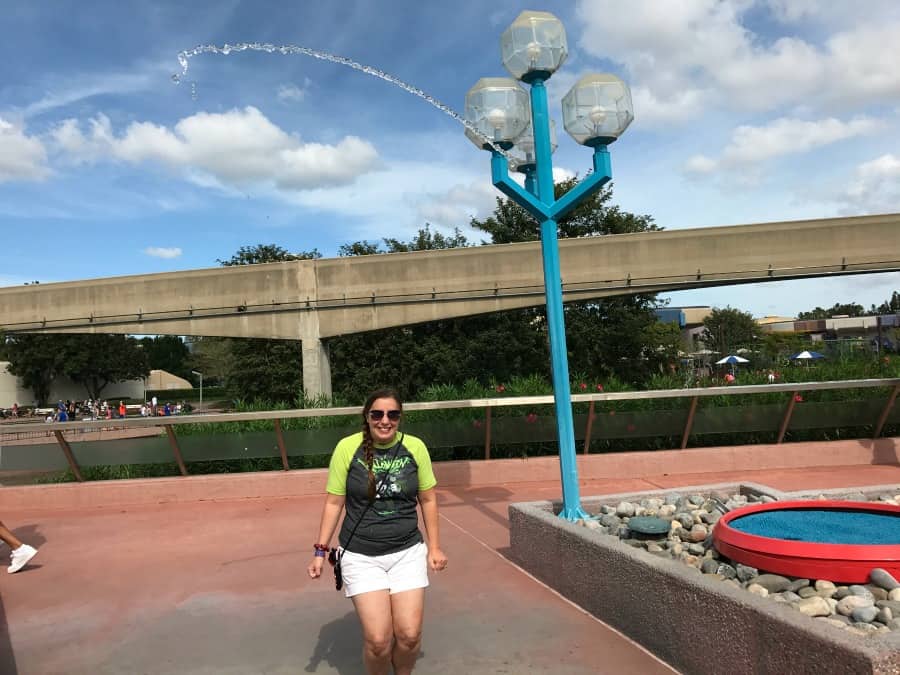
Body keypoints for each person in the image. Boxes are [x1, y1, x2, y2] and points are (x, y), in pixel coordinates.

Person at [307, 388, 447, 675]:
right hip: (360, 554)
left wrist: (434, 547)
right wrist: (320, 552)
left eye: (392, 414)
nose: (385, 420)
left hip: (407, 551)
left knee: (409, 636)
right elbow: (334, 502)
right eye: (378, 414)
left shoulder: (415, 447)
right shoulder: (348, 448)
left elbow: (428, 499)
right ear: (367, 417)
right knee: (378, 641)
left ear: (400, 417)